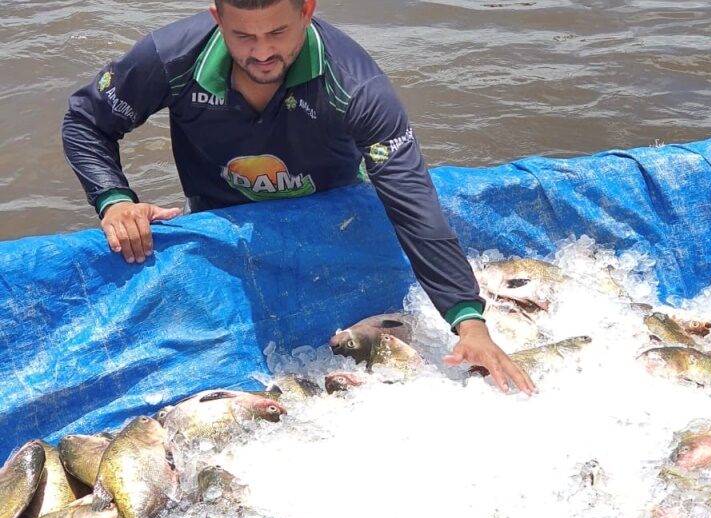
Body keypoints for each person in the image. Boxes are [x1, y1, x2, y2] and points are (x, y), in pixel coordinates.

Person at [62, 0, 536, 395]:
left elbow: (413, 204)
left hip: (334, 224)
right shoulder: (169, 58)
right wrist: (115, 199)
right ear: (216, 18)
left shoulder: (356, 86)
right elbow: (87, 122)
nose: (262, 52)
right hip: (224, 216)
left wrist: (469, 323)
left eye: (277, 33)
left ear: (308, 11)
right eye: (243, 36)